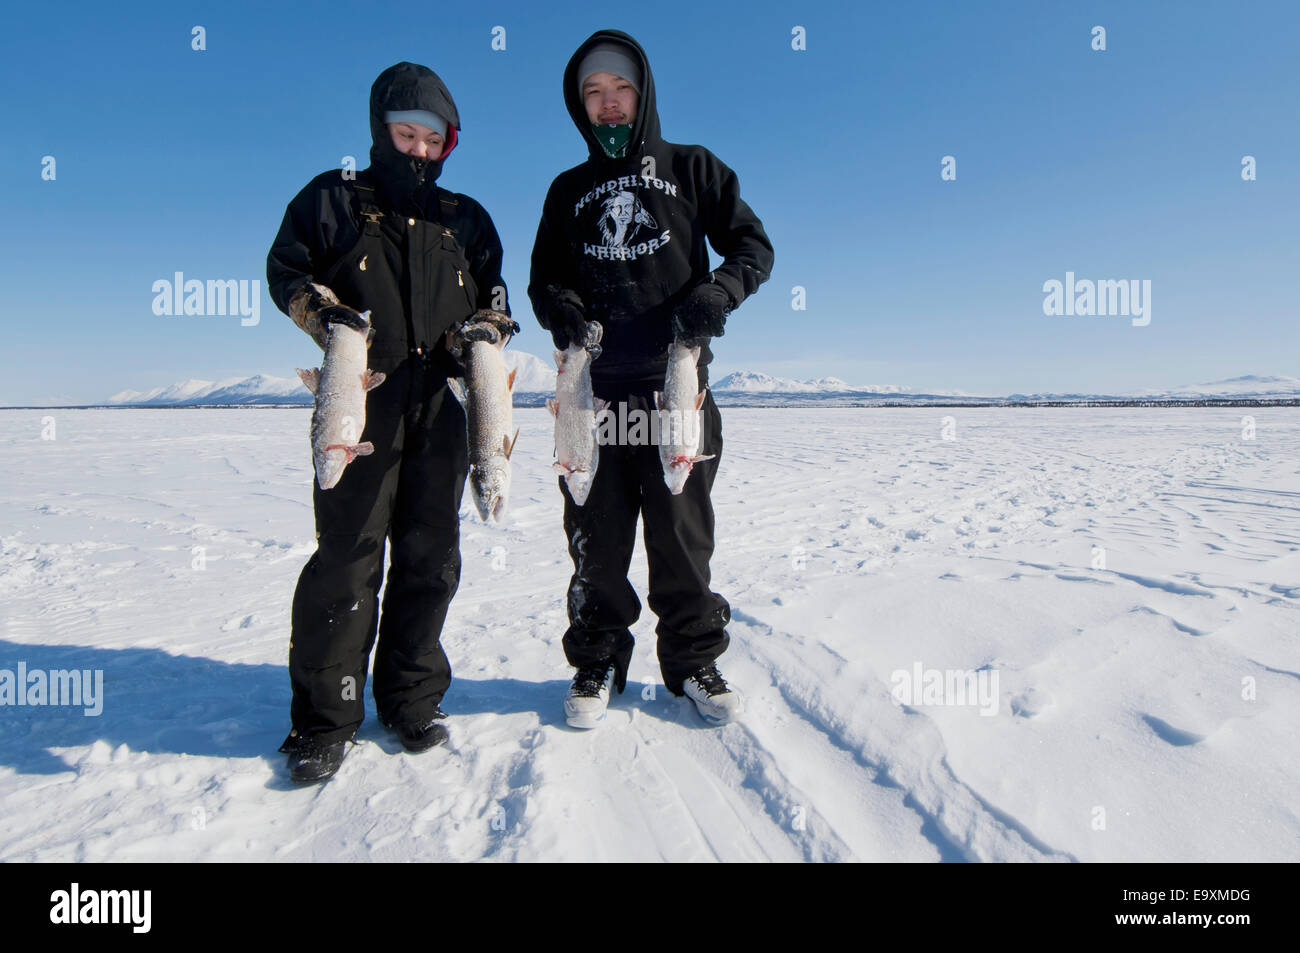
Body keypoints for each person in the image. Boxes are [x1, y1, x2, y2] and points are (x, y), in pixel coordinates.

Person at [267, 62, 511, 783]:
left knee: (431, 560)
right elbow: (286, 271)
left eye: (430, 138)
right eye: (404, 133)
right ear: (381, 131)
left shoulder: (465, 219)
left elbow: (495, 300)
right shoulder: (333, 199)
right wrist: (322, 311)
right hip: (359, 412)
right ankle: (325, 719)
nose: (416, 148)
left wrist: (488, 333)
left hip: (442, 414)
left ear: (447, 142)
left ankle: (410, 699)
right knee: (346, 561)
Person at [529, 30, 774, 728]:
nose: (608, 105)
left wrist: (719, 292)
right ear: (581, 106)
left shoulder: (693, 169)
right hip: (594, 400)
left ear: (644, 94)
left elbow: (754, 246)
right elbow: (543, 281)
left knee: (682, 539)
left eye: (620, 90)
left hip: (676, 393)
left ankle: (693, 659)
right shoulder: (568, 190)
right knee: (595, 545)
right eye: (594, 94)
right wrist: (561, 306)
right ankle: (598, 660)